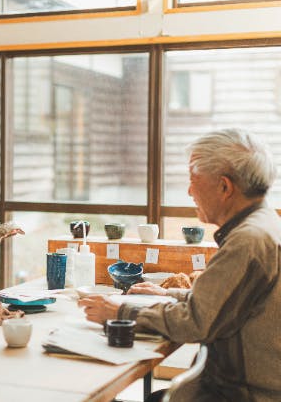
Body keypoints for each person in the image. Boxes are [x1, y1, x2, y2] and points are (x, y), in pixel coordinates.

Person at [78, 128, 281, 401]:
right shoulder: (265, 225)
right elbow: (227, 301)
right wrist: (167, 294)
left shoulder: (248, 240)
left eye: (193, 179)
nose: (189, 190)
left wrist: (120, 312)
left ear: (224, 187)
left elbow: (196, 322)